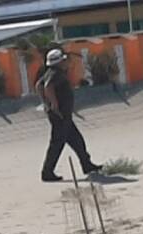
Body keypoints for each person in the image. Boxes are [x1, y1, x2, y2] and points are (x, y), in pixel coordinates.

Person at [37, 48, 102, 183]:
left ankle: (87, 165)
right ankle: (47, 172)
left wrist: (45, 102)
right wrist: (53, 104)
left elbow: (39, 85)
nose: (66, 62)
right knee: (57, 143)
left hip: (63, 114)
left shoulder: (52, 72)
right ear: (59, 62)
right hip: (59, 114)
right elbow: (47, 87)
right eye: (64, 59)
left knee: (76, 140)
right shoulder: (55, 73)